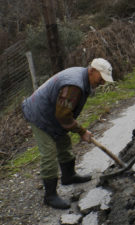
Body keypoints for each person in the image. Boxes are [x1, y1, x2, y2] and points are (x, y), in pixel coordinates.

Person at [21, 58, 114, 209]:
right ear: (92, 71)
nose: (102, 83)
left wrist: (78, 129)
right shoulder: (74, 85)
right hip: (39, 115)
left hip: (53, 112)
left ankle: (68, 176)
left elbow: (64, 113)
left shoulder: (82, 77)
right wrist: (82, 131)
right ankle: (50, 196)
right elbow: (63, 116)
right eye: (101, 78)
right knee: (49, 153)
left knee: (64, 143)